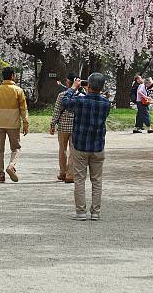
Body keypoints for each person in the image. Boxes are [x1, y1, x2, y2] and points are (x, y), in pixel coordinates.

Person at [61, 73, 111, 221]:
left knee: (80, 179)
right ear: (101, 87)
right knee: (97, 180)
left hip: (80, 145)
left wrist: (72, 88)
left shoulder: (80, 101)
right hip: (97, 146)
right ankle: (95, 212)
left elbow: (65, 103)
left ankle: (81, 212)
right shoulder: (105, 104)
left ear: (87, 86)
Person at [0, 66, 28, 183]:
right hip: (13, 123)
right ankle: (11, 165)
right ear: (13, 76)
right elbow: (23, 109)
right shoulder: (18, 90)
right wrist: (25, 123)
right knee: (16, 148)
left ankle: (1, 175)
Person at [49, 73, 78, 183]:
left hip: (63, 126)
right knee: (73, 150)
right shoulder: (80, 95)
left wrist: (52, 124)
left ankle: (62, 172)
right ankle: (70, 174)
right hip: (76, 126)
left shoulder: (62, 95)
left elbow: (57, 111)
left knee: (62, 149)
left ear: (68, 82)